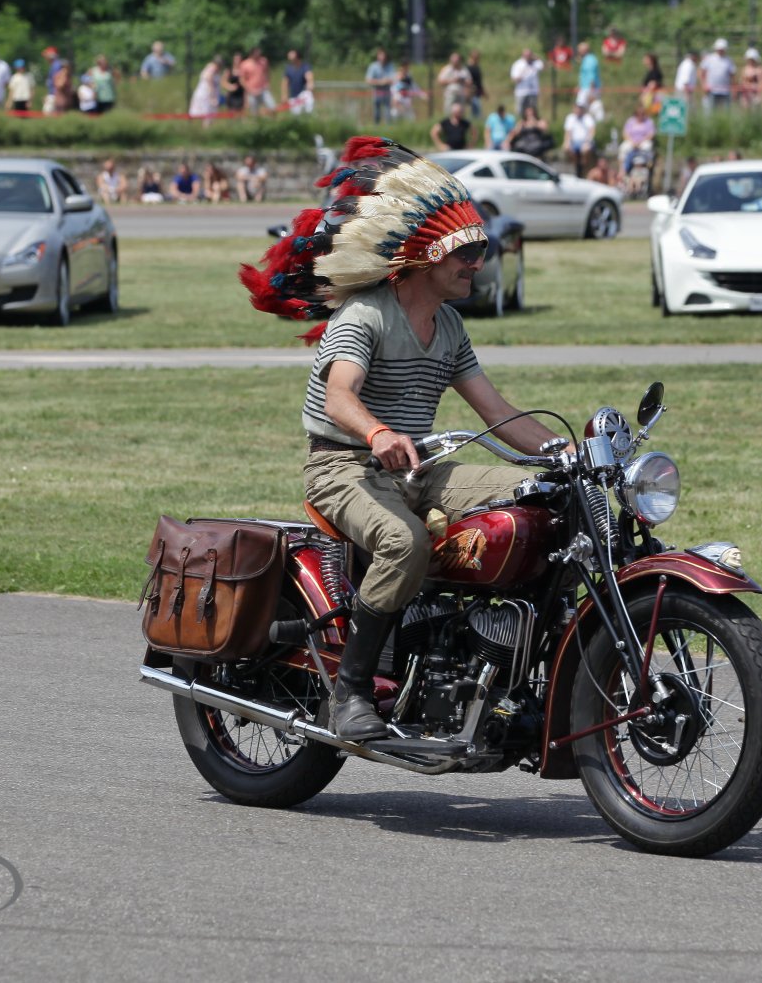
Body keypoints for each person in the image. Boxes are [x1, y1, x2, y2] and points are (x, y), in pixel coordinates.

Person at [239, 135, 570, 741]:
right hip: (343, 466)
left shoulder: (449, 324)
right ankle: (350, 692)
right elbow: (340, 396)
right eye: (465, 252)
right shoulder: (366, 314)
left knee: (536, 498)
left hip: (417, 466)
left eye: (480, 251)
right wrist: (378, 431)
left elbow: (497, 412)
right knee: (403, 541)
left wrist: (568, 454)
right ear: (425, 258)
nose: (477, 263)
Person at [618, 103, 656, 177]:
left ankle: (647, 166)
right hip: (631, 141)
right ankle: (622, 170)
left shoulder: (649, 122)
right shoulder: (630, 121)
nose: (640, 115)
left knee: (647, 146)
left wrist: (641, 142)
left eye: (642, 114)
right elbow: (625, 133)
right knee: (623, 147)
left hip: (643, 141)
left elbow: (651, 134)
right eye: (638, 114)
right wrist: (633, 142)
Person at [561, 101, 595, 175]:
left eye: (580, 108)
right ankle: (577, 165)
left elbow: (591, 131)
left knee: (586, 150)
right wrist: (567, 142)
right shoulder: (570, 118)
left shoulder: (588, 118)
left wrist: (588, 142)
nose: (578, 110)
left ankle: (583, 166)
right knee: (566, 148)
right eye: (577, 108)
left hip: (585, 142)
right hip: (574, 142)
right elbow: (568, 132)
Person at [699, 38, 734, 110]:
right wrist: (704, 85)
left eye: (722, 49)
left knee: (725, 112)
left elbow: (732, 75)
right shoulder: (709, 59)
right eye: (719, 48)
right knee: (709, 111)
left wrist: (732, 87)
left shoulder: (729, 60)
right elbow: (701, 72)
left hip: (725, 91)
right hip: (711, 91)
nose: (721, 50)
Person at [365, 48, 396, 124]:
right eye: (381, 55)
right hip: (377, 92)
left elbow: (393, 79)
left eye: (384, 56)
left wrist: (386, 81)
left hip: (387, 92)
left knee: (388, 113)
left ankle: (388, 128)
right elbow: (368, 80)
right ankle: (376, 128)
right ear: (378, 56)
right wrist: (380, 82)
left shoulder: (390, 65)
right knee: (377, 113)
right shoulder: (373, 66)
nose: (383, 57)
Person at [510, 48, 544, 117]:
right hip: (521, 92)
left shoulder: (536, 63)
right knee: (520, 111)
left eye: (529, 55)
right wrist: (523, 74)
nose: (528, 57)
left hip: (533, 92)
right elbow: (514, 79)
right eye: (526, 55)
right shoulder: (518, 64)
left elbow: (544, 67)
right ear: (522, 56)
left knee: (533, 111)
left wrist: (538, 58)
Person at [239, 47, 273, 114]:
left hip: (263, 89)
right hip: (252, 91)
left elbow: (267, 72)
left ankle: (273, 120)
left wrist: (267, 83)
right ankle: (257, 120)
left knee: (272, 107)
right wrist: (248, 89)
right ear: (252, 54)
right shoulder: (245, 64)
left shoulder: (263, 61)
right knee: (254, 111)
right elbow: (242, 79)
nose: (259, 55)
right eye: (257, 54)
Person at [282, 48, 315, 115]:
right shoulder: (288, 68)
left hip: (304, 94)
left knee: (309, 100)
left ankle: (309, 117)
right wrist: (284, 95)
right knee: (296, 115)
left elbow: (309, 76)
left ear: (297, 56)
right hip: (294, 97)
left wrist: (310, 84)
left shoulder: (305, 66)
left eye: (292, 53)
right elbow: (285, 82)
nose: (289, 55)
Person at [576, 41, 601, 112]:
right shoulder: (586, 60)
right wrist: (579, 86)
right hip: (585, 88)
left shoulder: (590, 60)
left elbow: (591, 76)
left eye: (579, 50)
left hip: (589, 88)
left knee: (584, 109)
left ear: (584, 50)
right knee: (585, 110)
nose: (578, 52)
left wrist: (591, 92)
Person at [465, 49, 486, 118]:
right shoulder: (468, 67)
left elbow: (479, 81)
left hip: (477, 90)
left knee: (476, 108)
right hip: (471, 90)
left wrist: (482, 90)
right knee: (475, 107)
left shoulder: (477, 67)